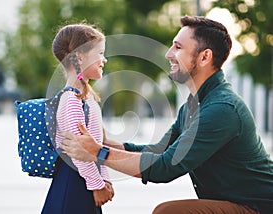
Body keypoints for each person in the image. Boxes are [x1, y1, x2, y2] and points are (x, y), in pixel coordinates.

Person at [60, 16, 273, 214]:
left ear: (204, 57)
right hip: (234, 202)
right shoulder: (193, 106)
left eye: (178, 47)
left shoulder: (221, 109)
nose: (168, 53)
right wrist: (107, 143)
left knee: (168, 212)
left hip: (257, 207)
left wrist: (99, 152)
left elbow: (165, 168)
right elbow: (159, 151)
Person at [41, 23, 114, 214]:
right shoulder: (71, 100)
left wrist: (104, 179)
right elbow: (78, 151)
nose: (104, 59)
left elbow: (97, 145)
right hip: (74, 184)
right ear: (80, 56)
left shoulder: (86, 97)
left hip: (85, 180)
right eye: (100, 53)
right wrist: (97, 184)